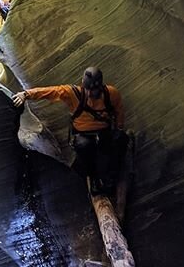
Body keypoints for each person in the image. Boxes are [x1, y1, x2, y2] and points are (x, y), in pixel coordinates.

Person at [13, 67, 127, 195]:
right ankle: (93, 178)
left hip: (104, 131)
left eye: (93, 90)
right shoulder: (74, 93)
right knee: (84, 146)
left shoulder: (111, 93)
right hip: (83, 134)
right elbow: (50, 92)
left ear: (100, 86)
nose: (90, 94)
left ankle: (112, 176)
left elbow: (119, 111)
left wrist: (119, 128)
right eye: (87, 89)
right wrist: (26, 94)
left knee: (120, 140)